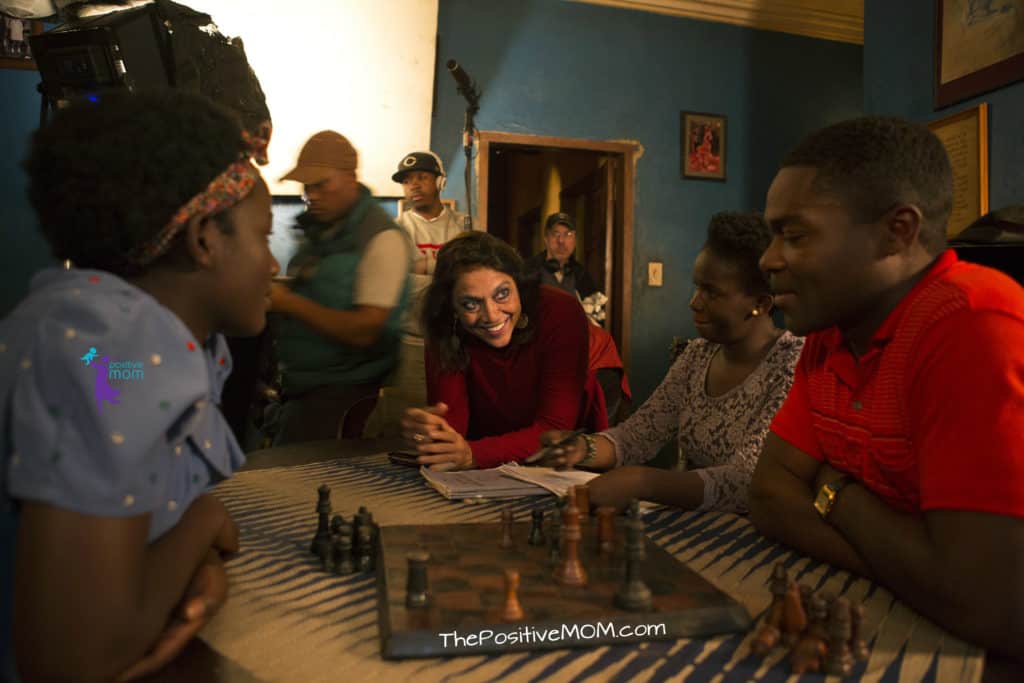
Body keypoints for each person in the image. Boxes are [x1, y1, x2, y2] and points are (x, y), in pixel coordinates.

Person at [1, 90, 279, 681]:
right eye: (263, 235)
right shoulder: (114, 359)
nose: (273, 264)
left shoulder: (105, 332)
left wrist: (187, 554)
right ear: (205, 238)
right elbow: (73, 661)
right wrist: (203, 522)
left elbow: (145, 523)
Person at [748, 116, 1024, 660]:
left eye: (795, 235)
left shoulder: (970, 325)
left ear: (897, 231)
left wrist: (833, 492)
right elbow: (769, 495)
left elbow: (988, 605)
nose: (768, 259)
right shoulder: (830, 332)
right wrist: (914, 561)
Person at [535, 212, 802, 513]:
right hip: (696, 525)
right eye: (697, 286)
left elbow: (748, 480)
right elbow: (639, 434)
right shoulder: (698, 355)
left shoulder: (792, 362)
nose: (694, 302)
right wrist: (582, 449)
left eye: (711, 292)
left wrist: (641, 482)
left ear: (760, 304)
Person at [400, 231, 608, 469]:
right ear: (452, 308)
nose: (491, 315)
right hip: (490, 458)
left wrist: (472, 454)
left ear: (519, 285)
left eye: (502, 294)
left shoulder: (561, 311)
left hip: (564, 455)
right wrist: (430, 434)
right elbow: (453, 426)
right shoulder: (443, 323)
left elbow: (555, 429)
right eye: (471, 304)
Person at [269, 131, 411, 444]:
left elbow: (366, 330)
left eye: (322, 184)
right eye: (307, 186)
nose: (312, 195)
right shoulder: (320, 232)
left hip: (341, 398)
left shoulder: (381, 239)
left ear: (350, 178)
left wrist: (289, 303)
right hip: (301, 390)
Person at [361, 151, 468, 438]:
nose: (414, 186)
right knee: (404, 425)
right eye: (407, 181)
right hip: (410, 342)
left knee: (450, 421)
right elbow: (400, 285)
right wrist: (446, 270)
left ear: (439, 181)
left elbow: (470, 279)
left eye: (422, 177)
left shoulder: (463, 226)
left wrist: (423, 266)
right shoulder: (396, 230)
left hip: (456, 341)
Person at [524, 212, 599, 299]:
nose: (561, 241)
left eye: (568, 234)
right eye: (556, 234)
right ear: (546, 239)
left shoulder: (582, 276)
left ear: (575, 240)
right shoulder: (528, 271)